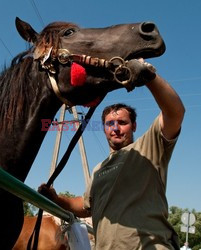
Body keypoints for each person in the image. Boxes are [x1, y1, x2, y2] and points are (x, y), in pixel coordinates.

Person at [39, 58, 185, 249]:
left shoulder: (149, 147)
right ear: (104, 128)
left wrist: (148, 76)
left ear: (134, 126)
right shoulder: (99, 169)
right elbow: (85, 207)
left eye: (122, 123)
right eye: (110, 124)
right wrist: (57, 199)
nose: (115, 128)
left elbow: (175, 112)